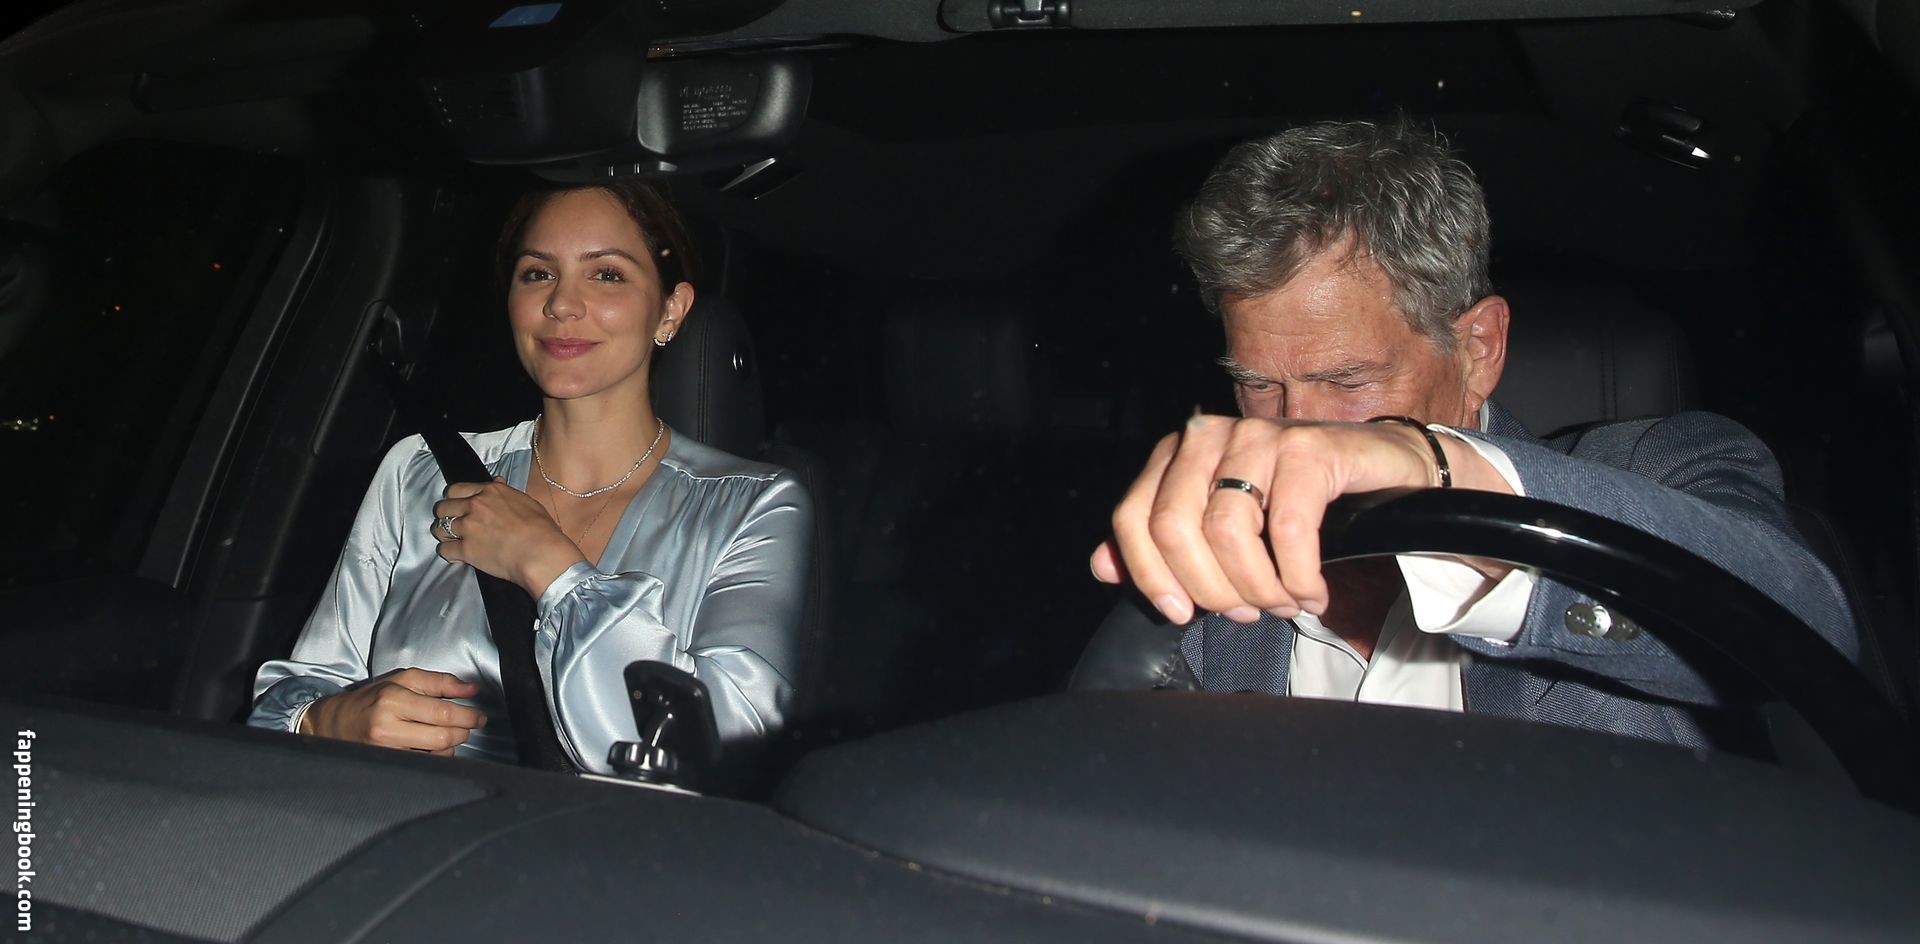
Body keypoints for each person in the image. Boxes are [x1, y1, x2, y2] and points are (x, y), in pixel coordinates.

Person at [1088, 119, 1856, 747]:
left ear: (1479, 349)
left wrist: (1437, 471)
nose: (1294, 428)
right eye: (1258, 384)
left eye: (1348, 381)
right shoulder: (1210, 572)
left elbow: (1810, 641)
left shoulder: (1664, 466)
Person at [249, 179, 812, 773]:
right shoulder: (418, 471)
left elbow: (729, 747)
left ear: (670, 310)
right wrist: (325, 721)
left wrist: (551, 567)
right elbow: (291, 697)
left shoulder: (752, 506)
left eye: (607, 275)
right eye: (538, 273)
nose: (562, 304)